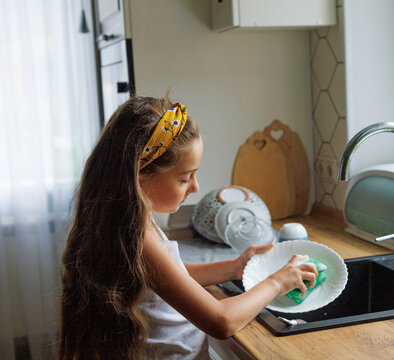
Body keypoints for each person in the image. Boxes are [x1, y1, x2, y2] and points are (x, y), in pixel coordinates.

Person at [59, 93, 318, 360]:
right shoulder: (137, 236)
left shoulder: (127, 221)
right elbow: (222, 321)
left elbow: (171, 278)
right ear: (140, 174)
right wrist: (277, 282)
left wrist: (234, 267)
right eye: (185, 178)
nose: (195, 187)